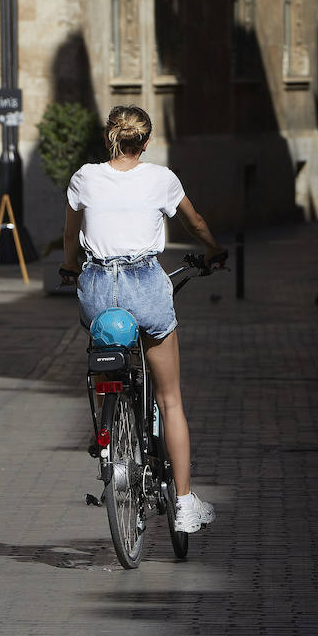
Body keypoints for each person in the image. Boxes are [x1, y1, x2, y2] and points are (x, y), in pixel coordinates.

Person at [59, 105, 227, 533]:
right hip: (145, 284)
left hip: (98, 287)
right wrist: (213, 250)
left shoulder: (85, 177)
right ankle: (186, 504)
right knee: (170, 399)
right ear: (146, 142)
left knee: (104, 358)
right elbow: (197, 223)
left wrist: (68, 266)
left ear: (109, 137)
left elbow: (70, 235)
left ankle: (107, 433)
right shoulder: (161, 179)